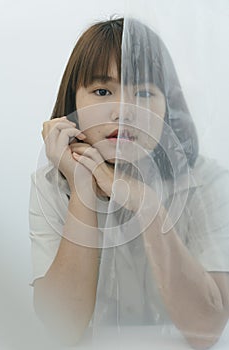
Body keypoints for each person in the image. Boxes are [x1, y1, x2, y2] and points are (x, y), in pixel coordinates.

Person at [29, 17, 229, 349]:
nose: (123, 112)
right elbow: (60, 330)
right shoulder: (52, 182)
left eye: (144, 92)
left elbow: (206, 330)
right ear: (73, 103)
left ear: (168, 106)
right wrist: (82, 190)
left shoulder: (207, 183)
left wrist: (146, 203)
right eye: (103, 91)